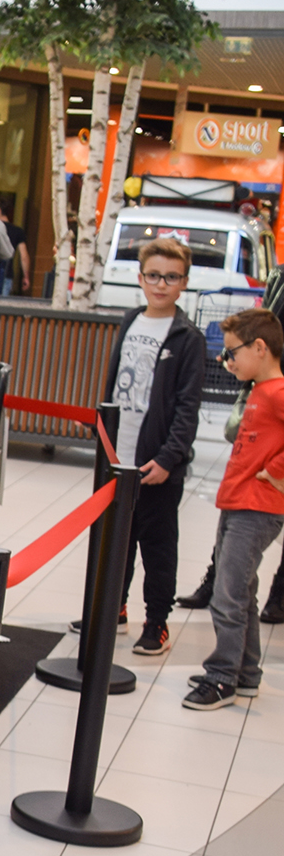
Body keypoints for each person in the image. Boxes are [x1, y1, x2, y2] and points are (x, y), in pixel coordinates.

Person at [104, 236, 207, 657]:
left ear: (183, 282)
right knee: (117, 541)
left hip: (158, 462)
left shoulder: (187, 337)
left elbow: (188, 406)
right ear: (141, 278)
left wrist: (168, 458)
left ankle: (158, 622)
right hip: (119, 454)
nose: (160, 284)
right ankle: (114, 607)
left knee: (157, 545)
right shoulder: (130, 320)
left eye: (170, 277)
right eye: (153, 276)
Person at [185, 307, 284, 709]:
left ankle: (222, 676)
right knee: (242, 591)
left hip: (257, 507)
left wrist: (275, 472)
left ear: (259, 348)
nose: (227, 361)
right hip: (239, 502)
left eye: (232, 353)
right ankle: (245, 673)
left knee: (227, 595)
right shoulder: (259, 390)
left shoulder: (277, 393)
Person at [0, 196, 30, 296]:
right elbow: (24, 256)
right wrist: (26, 276)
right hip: (7, 273)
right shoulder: (17, 231)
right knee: (2, 307)